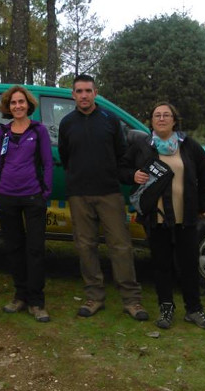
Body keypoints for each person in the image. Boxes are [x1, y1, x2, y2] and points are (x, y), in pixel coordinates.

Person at [58, 74, 148, 321]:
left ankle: (131, 300)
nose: (84, 95)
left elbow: (122, 155)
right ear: (73, 95)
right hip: (79, 195)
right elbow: (66, 158)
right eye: (79, 91)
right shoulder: (67, 123)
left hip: (109, 193)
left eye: (88, 90)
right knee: (85, 247)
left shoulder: (110, 119)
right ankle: (94, 297)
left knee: (120, 246)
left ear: (95, 93)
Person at [121, 102, 205, 330]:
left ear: (174, 120)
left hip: (186, 217)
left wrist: (202, 204)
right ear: (151, 121)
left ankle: (194, 310)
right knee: (161, 265)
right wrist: (133, 175)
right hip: (156, 217)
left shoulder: (189, 146)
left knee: (189, 264)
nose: (161, 119)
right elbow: (121, 169)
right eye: (157, 115)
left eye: (166, 115)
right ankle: (166, 308)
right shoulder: (142, 146)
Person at [0, 86, 53, 322]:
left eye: (21, 102)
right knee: (14, 248)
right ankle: (20, 296)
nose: (17, 106)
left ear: (28, 105)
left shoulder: (39, 131)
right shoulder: (3, 133)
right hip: (6, 196)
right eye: (13, 102)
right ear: (8, 107)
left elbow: (47, 163)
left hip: (32, 196)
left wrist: (44, 192)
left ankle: (37, 302)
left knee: (35, 249)